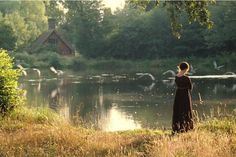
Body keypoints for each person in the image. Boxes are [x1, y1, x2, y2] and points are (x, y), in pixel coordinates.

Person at [172, 62, 193, 134]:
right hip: (185, 95)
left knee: (178, 110)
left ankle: (177, 127)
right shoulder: (186, 78)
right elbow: (190, 88)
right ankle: (186, 127)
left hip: (178, 94)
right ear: (186, 69)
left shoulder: (176, 77)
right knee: (185, 109)